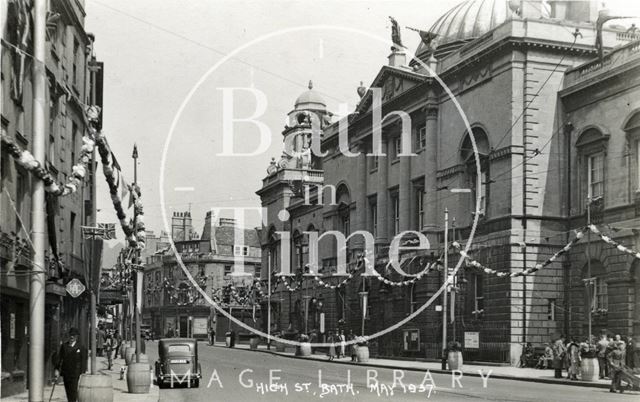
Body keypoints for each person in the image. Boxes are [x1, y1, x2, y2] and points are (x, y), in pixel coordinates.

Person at [55, 328, 88, 402]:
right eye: (70, 335)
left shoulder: (80, 347)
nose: (71, 337)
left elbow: (84, 360)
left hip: (75, 372)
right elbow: (59, 358)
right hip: (66, 372)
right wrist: (57, 369)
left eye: (73, 335)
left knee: (73, 390)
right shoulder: (64, 346)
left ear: (76, 337)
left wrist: (83, 372)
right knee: (68, 390)